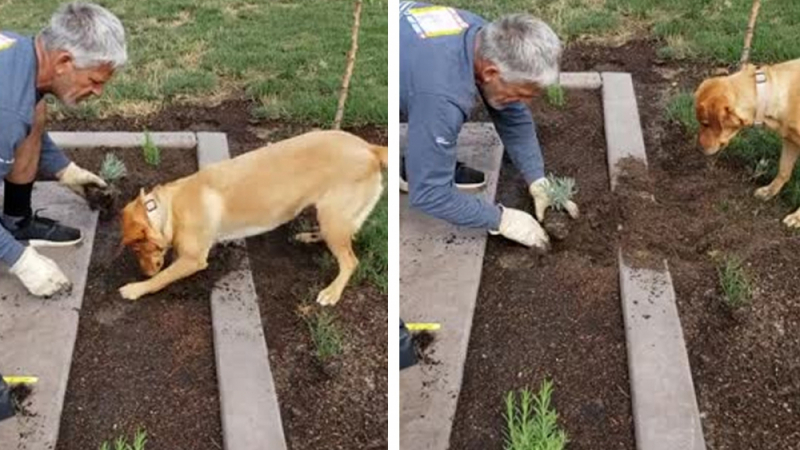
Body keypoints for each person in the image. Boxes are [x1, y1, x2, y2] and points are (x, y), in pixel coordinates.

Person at [399, 2, 579, 250]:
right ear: (490, 72)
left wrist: (537, 177)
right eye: (522, 94)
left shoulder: (483, 36)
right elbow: (428, 194)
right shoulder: (441, 98)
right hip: (401, 68)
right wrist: (501, 219)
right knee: (427, 169)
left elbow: (513, 116)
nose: (524, 104)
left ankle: (419, 157)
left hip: (407, 46)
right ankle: (418, 162)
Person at [0, 2, 127, 297]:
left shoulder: (19, 52)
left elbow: (22, 125)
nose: (98, 92)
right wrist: (20, 260)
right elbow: (10, 121)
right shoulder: (6, 111)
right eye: (94, 81)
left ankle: (17, 221)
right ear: (64, 62)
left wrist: (64, 170)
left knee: (36, 106)